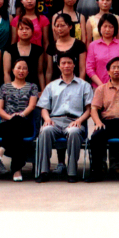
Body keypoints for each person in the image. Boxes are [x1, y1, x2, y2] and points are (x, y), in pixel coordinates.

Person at [36, 53, 93, 182]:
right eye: (63, 63)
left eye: (69, 63)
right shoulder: (51, 86)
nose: (66, 66)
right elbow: (44, 107)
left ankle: (72, 172)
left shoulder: (84, 85)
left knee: (73, 132)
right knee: (45, 131)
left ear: (74, 65)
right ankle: (44, 171)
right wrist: (47, 119)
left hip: (75, 121)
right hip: (54, 120)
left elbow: (89, 109)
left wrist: (79, 120)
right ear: (58, 66)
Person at [0, 57, 39, 182]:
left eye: (24, 68)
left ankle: (3, 148)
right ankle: (17, 170)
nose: (21, 70)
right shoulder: (4, 87)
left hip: (25, 123)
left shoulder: (32, 87)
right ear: (13, 70)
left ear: (28, 72)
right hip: (6, 123)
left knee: (18, 126)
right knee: (17, 134)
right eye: (18, 68)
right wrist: (10, 117)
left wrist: (20, 115)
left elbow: (32, 106)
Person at [85, 14, 119, 89]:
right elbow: (89, 68)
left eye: (111, 27)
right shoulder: (93, 45)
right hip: (98, 87)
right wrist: (101, 86)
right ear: (100, 28)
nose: (107, 29)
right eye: (105, 26)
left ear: (115, 28)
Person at [5, 17, 47, 89]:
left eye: (27, 28)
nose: (24, 31)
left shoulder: (39, 50)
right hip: (14, 89)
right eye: (21, 29)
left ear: (32, 31)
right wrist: (9, 91)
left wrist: (43, 90)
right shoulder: (9, 50)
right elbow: (7, 73)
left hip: (33, 89)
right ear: (17, 31)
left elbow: (40, 73)